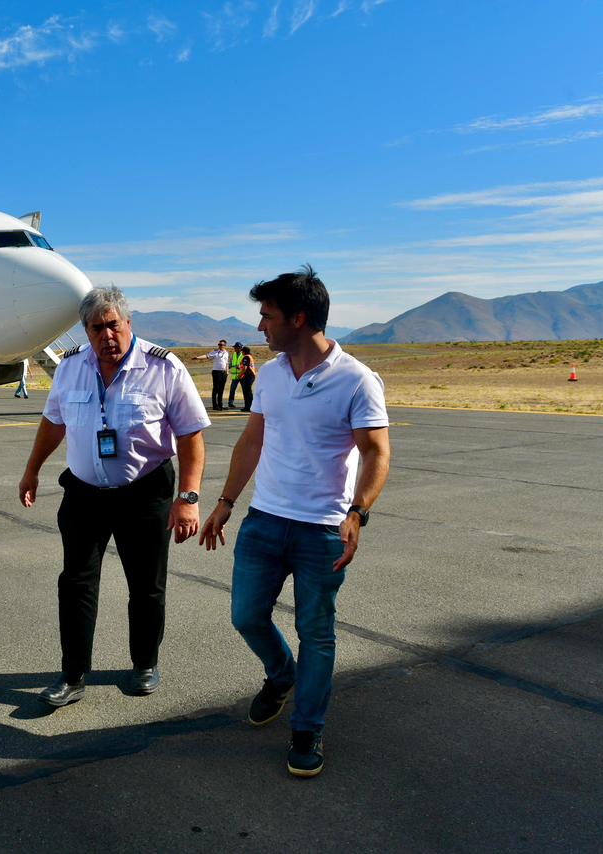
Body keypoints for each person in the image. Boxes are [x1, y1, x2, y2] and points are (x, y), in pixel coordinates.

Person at [198, 265, 391, 778]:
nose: (260, 325)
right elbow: (252, 441)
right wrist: (226, 501)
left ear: (299, 318)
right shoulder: (270, 375)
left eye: (267, 315)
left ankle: (308, 729)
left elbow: (376, 453)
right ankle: (282, 675)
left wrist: (358, 512)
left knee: (317, 633)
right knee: (246, 616)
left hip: (322, 530)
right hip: (264, 520)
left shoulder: (356, 380)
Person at [19, 286, 210, 707]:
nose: (106, 335)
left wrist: (188, 497)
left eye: (113, 325)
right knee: (76, 584)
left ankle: (144, 663)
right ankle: (72, 675)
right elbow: (53, 422)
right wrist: (31, 470)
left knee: (146, 586)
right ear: (85, 332)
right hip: (84, 495)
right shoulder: (71, 368)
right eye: (95, 328)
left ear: (128, 323)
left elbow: (190, 436)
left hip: (145, 493)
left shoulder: (163, 367)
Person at [194, 339, 229, 410]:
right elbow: (207, 356)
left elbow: (226, 363)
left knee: (221, 389)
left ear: (225, 345)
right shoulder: (215, 352)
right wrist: (197, 358)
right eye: (219, 344)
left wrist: (227, 371)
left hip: (223, 373)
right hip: (216, 372)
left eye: (221, 345)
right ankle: (215, 405)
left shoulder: (226, 353)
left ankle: (220, 405)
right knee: (216, 388)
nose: (220, 346)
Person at [227, 341, 244, 408]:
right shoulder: (233, 354)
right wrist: (227, 368)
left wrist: (240, 366)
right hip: (235, 376)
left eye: (236, 347)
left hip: (242, 375)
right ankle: (230, 403)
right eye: (235, 347)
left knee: (245, 390)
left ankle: (248, 403)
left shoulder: (243, 355)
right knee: (232, 390)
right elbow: (231, 363)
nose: (235, 349)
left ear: (240, 348)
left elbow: (246, 364)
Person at [239, 346, 256, 411]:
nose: (241, 352)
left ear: (244, 351)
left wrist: (239, 375)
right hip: (251, 375)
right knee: (248, 391)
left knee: (247, 391)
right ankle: (249, 406)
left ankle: (248, 407)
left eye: (242, 351)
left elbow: (245, 368)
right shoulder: (250, 356)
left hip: (248, 375)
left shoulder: (246, 357)